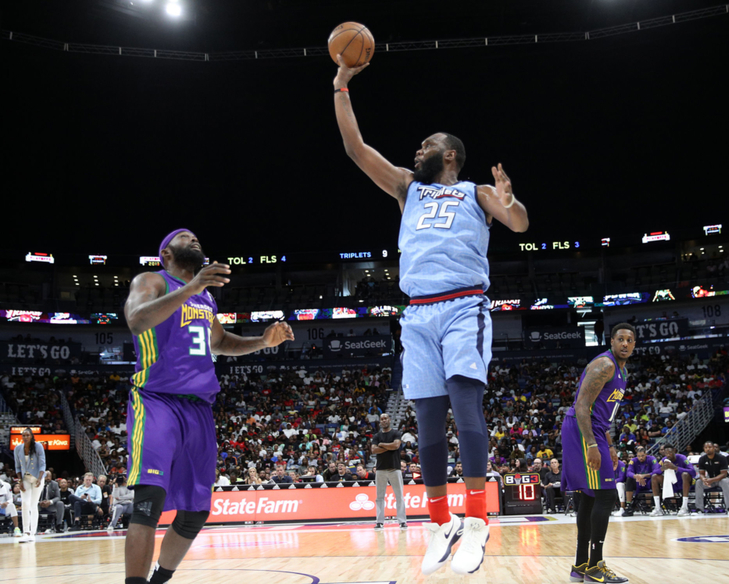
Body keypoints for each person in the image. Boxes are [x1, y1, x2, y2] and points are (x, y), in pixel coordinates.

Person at [333, 52, 528, 578]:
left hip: (464, 304)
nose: (415, 151)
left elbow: (519, 224)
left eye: (425, 146)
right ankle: (440, 523)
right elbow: (355, 148)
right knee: (426, 426)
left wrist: (509, 204)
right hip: (417, 313)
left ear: (449, 154)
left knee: (466, 411)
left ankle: (477, 519)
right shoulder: (406, 187)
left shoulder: (474, 190)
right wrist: (341, 85)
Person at [122, 229, 294, 584]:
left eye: (197, 236)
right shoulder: (152, 279)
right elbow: (136, 321)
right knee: (148, 500)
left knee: (195, 513)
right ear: (166, 253)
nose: (195, 239)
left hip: (199, 409)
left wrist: (262, 341)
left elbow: (220, 342)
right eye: (185, 237)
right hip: (157, 400)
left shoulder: (205, 300)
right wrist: (191, 287)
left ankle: (158, 581)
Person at [562, 323, 635, 583]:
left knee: (590, 497)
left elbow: (603, 414)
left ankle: (581, 566)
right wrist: (593, 445)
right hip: (582, 430)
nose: (625, 344)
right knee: (606, 494)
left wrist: (610, 444)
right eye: (620, 339)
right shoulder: (604, 365)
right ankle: (595, 566)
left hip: (595, 430)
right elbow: (582, 406)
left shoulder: (623, 371)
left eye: (630, 340)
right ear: (611, 341)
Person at [371, 413, 407, 530]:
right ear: (380, 421)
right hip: (380, 469)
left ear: (389, 420)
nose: (384, 420)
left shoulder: (396, 433)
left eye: (386, 418)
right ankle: (379, 522)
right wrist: (388, 447)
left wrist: (381, 445)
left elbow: (396, 446)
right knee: (379, 497)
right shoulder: (377, 436)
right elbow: (374, 450)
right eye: (382, 419)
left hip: (394, 469)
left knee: (399, 496)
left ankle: (402, 521)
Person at [14, 427, 46, 543]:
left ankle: (32, 532)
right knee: (25, 503)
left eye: (27, 435)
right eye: (24, 435)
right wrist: (20, 481)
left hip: (37, 477)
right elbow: (17, 467)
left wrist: (40, 477)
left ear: (31, 436)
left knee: (33, 504)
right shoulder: (18, 449)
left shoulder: (38, 446)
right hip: (25, 478)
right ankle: (25, 532)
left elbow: (43, 464)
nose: (25, 437)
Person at [650, 444, 696, 516]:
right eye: (666, 453)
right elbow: (654, 472)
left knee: (685, 474)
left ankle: (684, 507)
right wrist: (662, 469)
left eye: (670, 452)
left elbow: (692, 471)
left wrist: (676, 468)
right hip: (671, 484)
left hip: (683, 483)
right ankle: (658, 508)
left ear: (674, 451)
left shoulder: (682, 458)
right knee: (654, 477)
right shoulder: (664, 460)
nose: (668, 455)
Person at [695, 441, 729, 515]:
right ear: (704, 449)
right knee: (698, 482)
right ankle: (699, 509)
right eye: (706, 447)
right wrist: (704, 479)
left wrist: (712, 480)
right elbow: (701, 473)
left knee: (725, 482)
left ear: (713, 448)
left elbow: (723, 474)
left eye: (710, 447)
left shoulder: (721, 458)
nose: (708, 449)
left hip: (723, 479)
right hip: (711, 480)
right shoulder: (702, 459)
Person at [620, 447, 659, 517]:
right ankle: (629, 506)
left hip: (649, 481)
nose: (641, 458)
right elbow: (628, 472)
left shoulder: (652, 459)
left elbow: (657, 470)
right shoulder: (633, 461)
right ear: (636, 456)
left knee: (655, 477)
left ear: (646, 454)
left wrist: (645, 476)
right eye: (639, 456)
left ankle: (657, 506)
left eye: (642, 456)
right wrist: (636, 476)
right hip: (638, 481)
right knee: (629, 479)